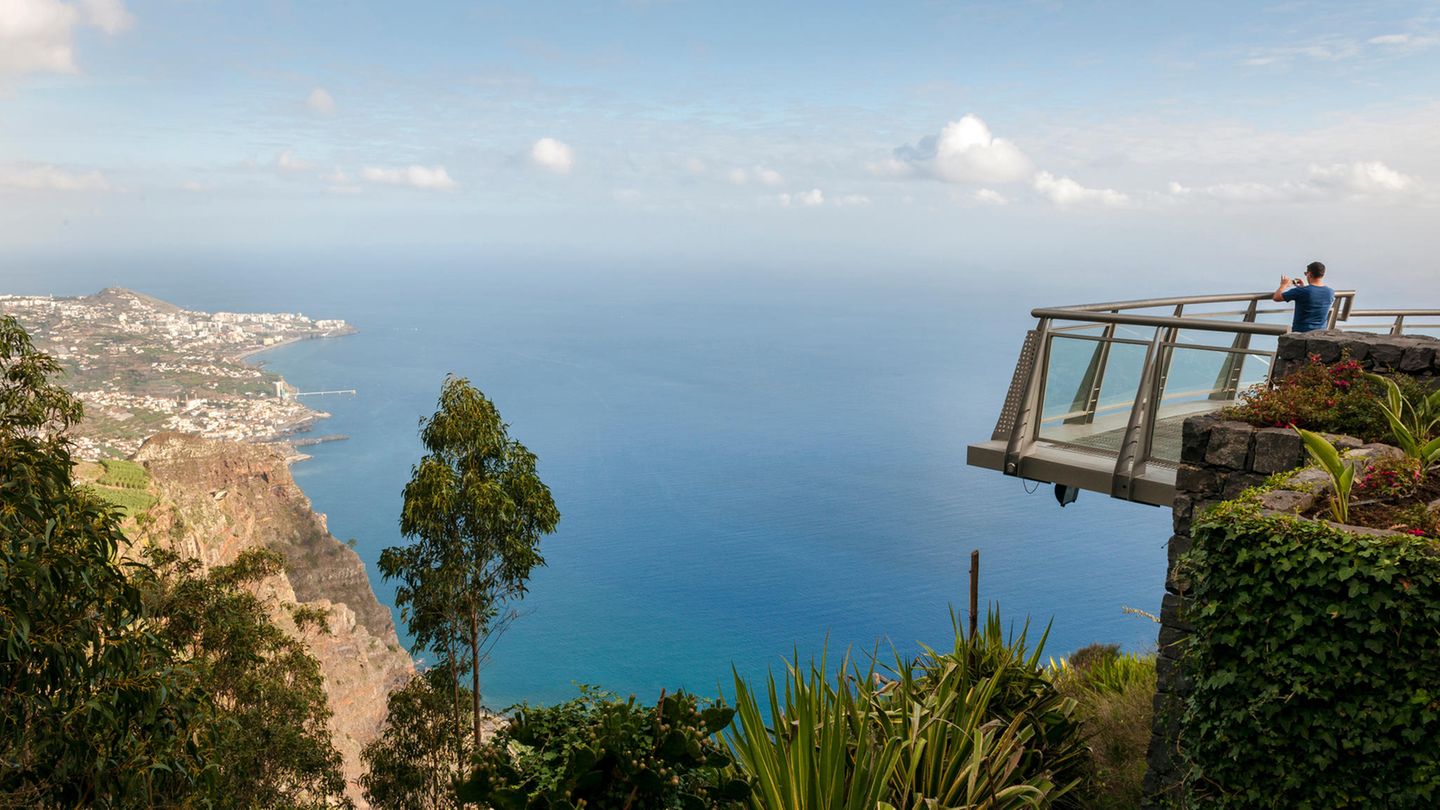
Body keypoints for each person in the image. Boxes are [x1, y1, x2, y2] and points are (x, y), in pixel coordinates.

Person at [1273, 261, 1335, 333]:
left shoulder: (1301, 291)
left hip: (1301, 334)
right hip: (1321, 333)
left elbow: (1276, 297)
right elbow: (1314, 295)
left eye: (1306, 273)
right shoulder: (1330, 292)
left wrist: (1283, 285)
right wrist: (1303, 287)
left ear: (1309, 274)